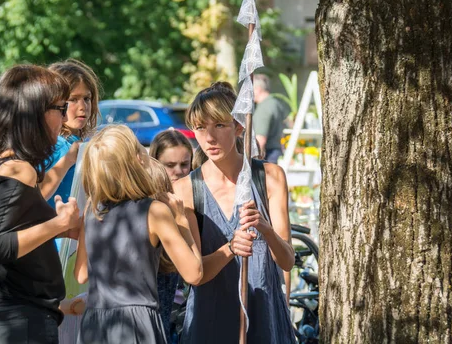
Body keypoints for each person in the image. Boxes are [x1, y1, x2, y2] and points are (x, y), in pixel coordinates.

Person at [0, 64, 80, 344]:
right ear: (35, 113)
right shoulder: (16, 168)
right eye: (61, 109)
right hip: (15, 323)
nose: (65, 119)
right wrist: (59, 223)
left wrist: (58, 230)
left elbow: (5, 230)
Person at [173, 82, 296, 344]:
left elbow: (287, 261)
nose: (209, 137)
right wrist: (230, 248)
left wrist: (266, 230)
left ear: (239, 127)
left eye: (219, 125)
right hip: (210, 321)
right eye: (200, 128)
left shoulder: (270, 178)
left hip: (264, 319)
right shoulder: (186, 189)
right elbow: (196, 273)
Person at [74, 125, 202, 344]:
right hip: (137, 324)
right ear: (138, 161)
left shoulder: (92, 209)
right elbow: (194, 274)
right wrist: (181, 221)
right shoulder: (154, 211)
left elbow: (81, 274)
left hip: (96, 323)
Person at [149, 130, 194, 340]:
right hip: (152, 301)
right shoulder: (148, 204)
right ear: (154, 163)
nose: (179, 171)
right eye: (170, 165)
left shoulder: (195, 196)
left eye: (185, 164)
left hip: (183, 305)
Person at [40, 59, 101, 206]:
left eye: (87, 98)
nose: (82, 106)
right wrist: (67, 160)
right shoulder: (56, 144)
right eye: (73, 99)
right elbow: (36, 194)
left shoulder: (73, 142)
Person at [253, 73, 288, 163]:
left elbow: (260, 138)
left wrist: (254, 161)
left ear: (258, 89)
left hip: (268, 155)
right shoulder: (276, 103)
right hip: (277, 151)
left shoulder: (264, 108)